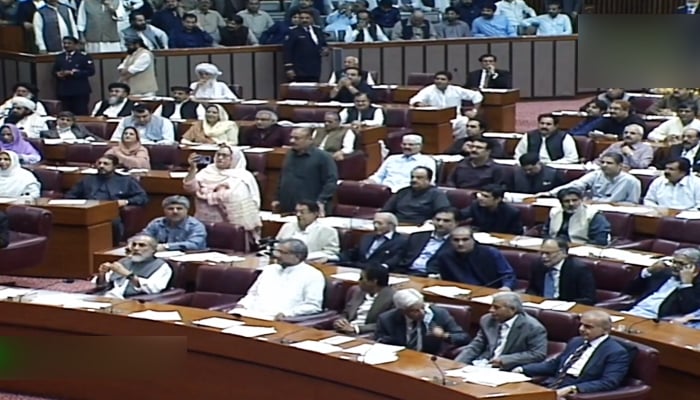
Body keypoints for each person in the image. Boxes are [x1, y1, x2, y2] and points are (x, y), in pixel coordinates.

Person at [514, 310, 631, 397]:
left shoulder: (616, 352)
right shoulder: (576, 341)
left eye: (588, 327)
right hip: (552, 385)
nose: (582, 329)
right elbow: (554, 365)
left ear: (605, 330)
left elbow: (609, 382)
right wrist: (521, 369)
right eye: (581, 324)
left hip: (575, 391)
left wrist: (574, 388)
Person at [231, 238, 325, 320]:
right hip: (249, 315)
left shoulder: (313, 275)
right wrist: (242, 305)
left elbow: (313, 306)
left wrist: (287, 314)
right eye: (276, 251)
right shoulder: (269, 269)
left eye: (282, 252)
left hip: (278, 320)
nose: (277, 255)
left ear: (297, 256)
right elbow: (252, 294)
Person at [65, 154, 148, 244]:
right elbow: (70, 195)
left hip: (110, 211)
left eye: (106, 164)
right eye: (99, 163)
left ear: (115, 166)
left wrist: (126, 201)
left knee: (113, 222)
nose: (101, 166)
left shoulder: (126, 180)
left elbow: (142, 197)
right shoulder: (88, 179)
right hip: (88, 209)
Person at [183, 146, 261, 241]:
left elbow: (234, 197)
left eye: (224, 156)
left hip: (230, 226)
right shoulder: (206, 172)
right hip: (203, 222)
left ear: (234, 159)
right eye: (218, 155)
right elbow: (189, 188)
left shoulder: (243, 177)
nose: (220, 158)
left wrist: (210, 195)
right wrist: (192, 169)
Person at [455, 292, 547, 370]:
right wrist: (457, 364)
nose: (490, 310)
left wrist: (505, 360)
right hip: (482, 364)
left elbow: (538, 354)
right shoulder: (487, 320)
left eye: (496, 307)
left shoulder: (533, 327)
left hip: (508, 368)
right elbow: (476, 346)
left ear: (512, 309)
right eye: (491, 306)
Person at [374, 288, 470, 355]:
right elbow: (379, 342)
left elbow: (464, 338)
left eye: (423, 307)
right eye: (415, 310)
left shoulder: (439, 314)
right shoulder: (387, 319)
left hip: (430, 359)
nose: (422, 313)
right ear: (402, 311)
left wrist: (444, 335)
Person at [427, 226, 517, 290]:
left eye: (465, 239)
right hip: (459, 292)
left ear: (473, 240)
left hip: (490, 291)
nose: (460, 244)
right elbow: (434, 269)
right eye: (456, 240)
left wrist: (506, 287)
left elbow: (508, 275)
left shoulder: (490, 252)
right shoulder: (445, 256)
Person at [273, 128, 338, 215]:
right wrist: (277, 198)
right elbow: (283, 177)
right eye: (291, 137)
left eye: (297, 138)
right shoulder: (289, 154)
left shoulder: (323, 157)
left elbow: (331, 181)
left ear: (310, 139)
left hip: (310, 209)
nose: (292, 141)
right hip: (287, 206)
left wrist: (321, 201)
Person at [624, 248, 700, 320]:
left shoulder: (696, 285)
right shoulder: (664, 273)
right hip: (632, 312)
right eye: (674, 262)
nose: (675, 266)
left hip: (656, 320)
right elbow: (630, 290)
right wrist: (648, 271)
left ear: (695, 267)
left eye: (681, 263)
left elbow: (689, 310)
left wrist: (686, 284)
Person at [539, 153, 642, 204]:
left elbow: (633, 204)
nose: (604, 165)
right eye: (602, 162)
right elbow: (577, 185)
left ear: (620, 166)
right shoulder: (596, 174)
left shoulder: (632, 181)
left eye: (609, 163)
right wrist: (551, 193)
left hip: (617, 213)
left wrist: (606, 203)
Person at [92, 234, 173, 299]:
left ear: (153, 250)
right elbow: (102, 284)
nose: (136, 248)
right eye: (134, 245)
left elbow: (153, 288)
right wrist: (102, 274)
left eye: (142, 245)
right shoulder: (124, 261)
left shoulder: (162, 266)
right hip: (104, 297)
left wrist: (128, 275)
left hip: (129, 301)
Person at [384, 208, 458, 276]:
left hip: (430, 276)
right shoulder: (417, 236)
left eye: (446, 221)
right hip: (405, 272)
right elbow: (400, 255)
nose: (440, 224)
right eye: (437, 220)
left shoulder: (458, 242)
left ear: (456, 223)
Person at [526, 238, 597, 305]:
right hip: (541, 306)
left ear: (563, 253)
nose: (544, 256)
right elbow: (532, 289)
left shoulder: (579, 269)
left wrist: (561, 304)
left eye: (548, 253)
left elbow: (588, 299)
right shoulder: (538, 265)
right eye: (542, 253)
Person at [333, 264, 396, 335]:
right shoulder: (358, 292)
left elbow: (385, 325)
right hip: (344, 331)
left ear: (374, 281)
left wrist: (356, 329)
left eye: (362, 278)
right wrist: (341, 321)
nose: (358, 281)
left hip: (365, 334)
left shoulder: (392, 298)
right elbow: (346, 313)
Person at [365, 134, 436, 192]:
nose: (406, 147)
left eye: (411, 145)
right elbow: (378, 177)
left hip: (408, 194)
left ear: (420, 146)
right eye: (404, 144)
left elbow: (428, 182)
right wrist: (367, 182)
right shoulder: (392, 158)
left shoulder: (427, 161)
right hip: (384, 192)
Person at [275, 200, 340, 262]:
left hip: (311, 263)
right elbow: (276, 244)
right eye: (297, 212)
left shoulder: (327, 231)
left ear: (315, 214)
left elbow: (332, 253)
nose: (298, 215)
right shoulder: (288, 226)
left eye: (302, 212)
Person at [381, 166, 450, 224]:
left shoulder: (437, 194)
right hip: (397, 225)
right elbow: (385, 211)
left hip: (420, 227)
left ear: (429, 180)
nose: (414, 180)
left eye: (419, 178)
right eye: (412, 177)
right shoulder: (402, 192)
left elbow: (443, 214)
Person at [544, 188, 611, 245]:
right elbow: (545, 232)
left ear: (581, 200)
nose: (571, 204)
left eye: (575, 200)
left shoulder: (593, 214)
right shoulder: (554, 212)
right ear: (561, 203)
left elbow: (600, 240)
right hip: (555, 246)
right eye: (566, 201)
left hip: (581, 247)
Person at [339, 212, 406, 269]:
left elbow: (395, 259)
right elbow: (353, 252)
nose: (375, 226)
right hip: (357, 269)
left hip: (378, 274)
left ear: (391, 225)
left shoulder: (400, 241)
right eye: (374, 223)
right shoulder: (367, 237)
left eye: (379, 223)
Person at [142, 195, 207, 251]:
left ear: (187, 210)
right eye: (170, 209)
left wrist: (166, 247)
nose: (175, 211)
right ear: (164, 210)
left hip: (188, 258)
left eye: (179, 209)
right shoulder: (157, 223)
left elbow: (194, 245)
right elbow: (143, 237)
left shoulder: (195, 226)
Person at [409, 70, 483, 117]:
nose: (439, 81)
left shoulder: (456, 89)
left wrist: (474, 111)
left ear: (449, 82)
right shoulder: (429, 89)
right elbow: (414, 100)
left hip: (455, 118)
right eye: (437, 79)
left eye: (443, 79)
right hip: (436, 118)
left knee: (463, 122)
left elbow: (477, 96)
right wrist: (419, 103)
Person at [52, 36, 95, 116]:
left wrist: (74, 73)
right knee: (65, 113)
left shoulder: (83, 56)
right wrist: (58, 74)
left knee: (81, 112)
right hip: (64, 90)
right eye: (64, 43)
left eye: (69, 43)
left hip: (79, 90)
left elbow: (91, 71)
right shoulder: (60, 57)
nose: (66, 45)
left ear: (75, 45)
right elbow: (54, 71)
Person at [283, 10, 327, 82]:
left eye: (307, 18)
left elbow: (323, 44)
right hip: (299, 70)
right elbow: (288, 50)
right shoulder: (293, 32)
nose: (304, 20)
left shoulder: (318, 30)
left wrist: (325, 50)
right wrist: (289, 68)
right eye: (302, 18)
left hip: (315, 68)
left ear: (312, 19)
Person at [109, 104, 175, 144]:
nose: (141, 119)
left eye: (145, 116)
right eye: (137, 117)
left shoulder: (164, 122)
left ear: (151, 113)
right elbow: (115, 139)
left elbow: (169, 141)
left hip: (154, 150)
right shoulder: (125, 121)